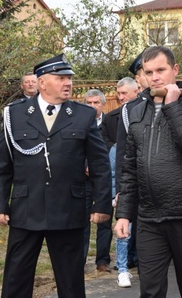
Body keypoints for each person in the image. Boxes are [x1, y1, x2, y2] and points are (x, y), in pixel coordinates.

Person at [0, 54, 111, 298]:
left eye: (69, 78)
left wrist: (101, 204)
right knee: (16, 278)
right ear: (42, 83)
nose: (68, 83)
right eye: (61, 78)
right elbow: (1, 164)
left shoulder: (83, 115)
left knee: (71, 281)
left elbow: (100, 164)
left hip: (68, 209)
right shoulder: (15, 115)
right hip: (26, 208)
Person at [114, 46, 182, 297]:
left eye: (161, 70)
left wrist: (171, 105)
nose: (154, 77)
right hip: (149, 217)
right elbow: (130, 168)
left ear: (175, 70)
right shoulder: (137, 112)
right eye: (149, 72)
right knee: (150, 291)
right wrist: (124, 214)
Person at [102, 76, 142, 288]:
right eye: (118, 94)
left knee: (142, 231)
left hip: (148, 183)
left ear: (137, 90)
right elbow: (119, 162)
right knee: (124, 227)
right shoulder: (118, 117)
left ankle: (141, 265)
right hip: (128, 185)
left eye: (124, 93)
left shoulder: (146, 111)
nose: (120, 98)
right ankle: (123, 268)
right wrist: (119, 191)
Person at [82, 89, 113, 273]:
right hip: (83, 179)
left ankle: (102, 261)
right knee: (82, 222)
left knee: (104, 221)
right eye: (89, 103)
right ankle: (80, 261)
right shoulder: (79, 122)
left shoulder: (109, 123)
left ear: (103, 104)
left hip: (104, 179)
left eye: (96, 103)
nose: (93, 106)